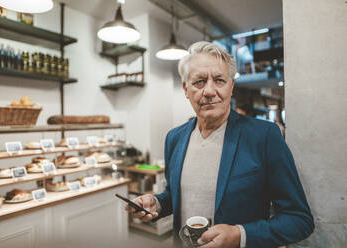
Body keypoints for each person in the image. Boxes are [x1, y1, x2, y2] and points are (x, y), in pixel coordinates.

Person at [125, 41, 314, 248]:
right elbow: (177, 194)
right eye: (199, 81)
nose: (209, 91)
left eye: (219, 80)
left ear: (231, 87)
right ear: (186, 89)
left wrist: (240, 235)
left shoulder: (264, 136)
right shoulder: (174, 138)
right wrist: (157, 203)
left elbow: (299, 219)